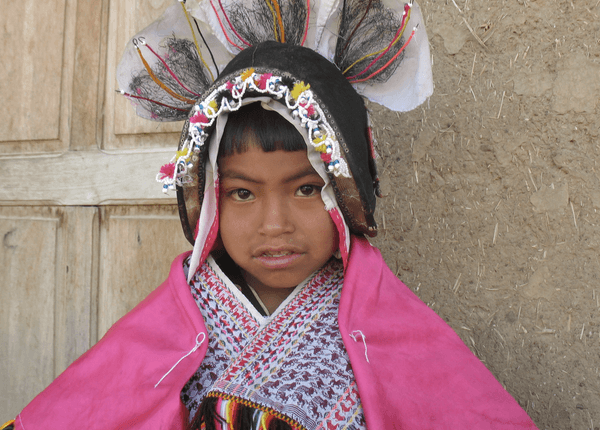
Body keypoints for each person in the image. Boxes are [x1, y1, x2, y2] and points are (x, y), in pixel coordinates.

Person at [3, 1, 539, 429]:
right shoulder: (158, 336)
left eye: (306, 189)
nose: (274, 223)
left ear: (347, 192)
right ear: (209, 200)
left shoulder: (398, 336)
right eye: (242, 194)